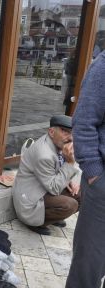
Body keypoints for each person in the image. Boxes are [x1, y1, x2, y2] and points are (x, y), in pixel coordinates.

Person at [66, 51, 105, 287]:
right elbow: (84, 121)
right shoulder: (104, 66)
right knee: (89, 265)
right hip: (102, 184)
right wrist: (94, 173)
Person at [12, 115, 81, 236]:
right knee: (70, 205)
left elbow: (57, 169)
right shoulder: (44, 154)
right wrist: (70, 163)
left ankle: (52, 216)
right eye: (65, 132)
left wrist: (69, 181)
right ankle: (36, 222)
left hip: (45, 188)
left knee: (83, 194)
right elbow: (54, 189)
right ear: (51, 132)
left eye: (72, 133)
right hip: (30, 201)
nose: (70, 138)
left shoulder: (57, 143)